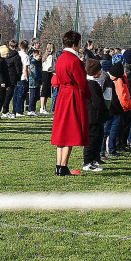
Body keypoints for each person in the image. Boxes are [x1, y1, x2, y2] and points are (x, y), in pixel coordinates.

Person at [51, 30, 89, 176]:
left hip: (62, 95)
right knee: (70, 132)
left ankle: (59, 166)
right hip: (72, 95)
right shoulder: (74, 61)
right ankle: (64, 166)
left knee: (61, 132)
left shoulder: (60, 58)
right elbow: (82, 82)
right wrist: (89, 95)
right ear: (75, 44)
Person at [82, 59, 107, 172]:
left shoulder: (92, 83)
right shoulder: (91, 84)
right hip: (92, 117)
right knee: (91, 140)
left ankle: (94, 159)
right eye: (100, 70)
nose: (101, 72)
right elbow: (97, 102)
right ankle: (87, 162)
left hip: (95, 116)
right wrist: (105, 110)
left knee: (98, 138)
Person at [40, 42, 56, 114]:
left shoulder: (45, 56)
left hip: (44, 73)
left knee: (46, 91)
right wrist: (54, 70)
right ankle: (42, 107)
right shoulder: (50, 57)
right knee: (45, 91)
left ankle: (44, 107)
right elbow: (50, 66)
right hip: (47, 73)